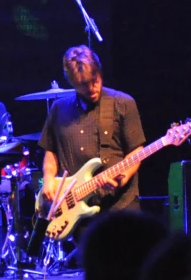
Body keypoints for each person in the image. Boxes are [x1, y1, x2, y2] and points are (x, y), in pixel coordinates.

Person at [38, 45, 146, 214]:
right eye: (83, 84)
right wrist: (48, 179)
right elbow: (51, 151)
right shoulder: (59, 109)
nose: (91, 88)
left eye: (95, 80)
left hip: (121, 206)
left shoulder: (123, 103)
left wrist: (121, 179)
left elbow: (137, 150)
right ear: (71, 81)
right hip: (75, 210)